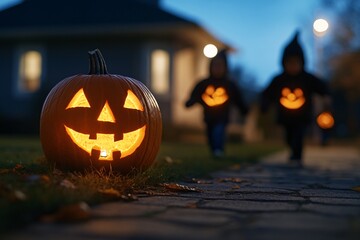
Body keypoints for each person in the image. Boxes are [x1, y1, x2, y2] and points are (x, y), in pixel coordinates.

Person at [261, 31, 330, 166]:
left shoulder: (307, 78)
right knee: (289, 136)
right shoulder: (279, 79)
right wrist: (265, 104)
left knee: (299, 134)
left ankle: (296, 156)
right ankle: (292, 150)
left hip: (302, 114)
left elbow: (321, 87)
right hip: (285, 115)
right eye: (289, 63)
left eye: (295, 63)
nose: (292, 66)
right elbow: (267, 93)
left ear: (302, 62)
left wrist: (326, 96)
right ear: (284, 63)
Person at [185, 50, 248, 157]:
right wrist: (190, 102)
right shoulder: (204, 83)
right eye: (215, 66)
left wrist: (244, 109)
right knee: (210, 134)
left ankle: (218, 149)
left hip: (223, 116)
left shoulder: (229, 85)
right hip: (208, 116)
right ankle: (214, 149)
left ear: (225, 68)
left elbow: (238, 98)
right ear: (210, 67)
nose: (217, 68)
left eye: (220, 66)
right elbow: (195, 95)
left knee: (219, 131)